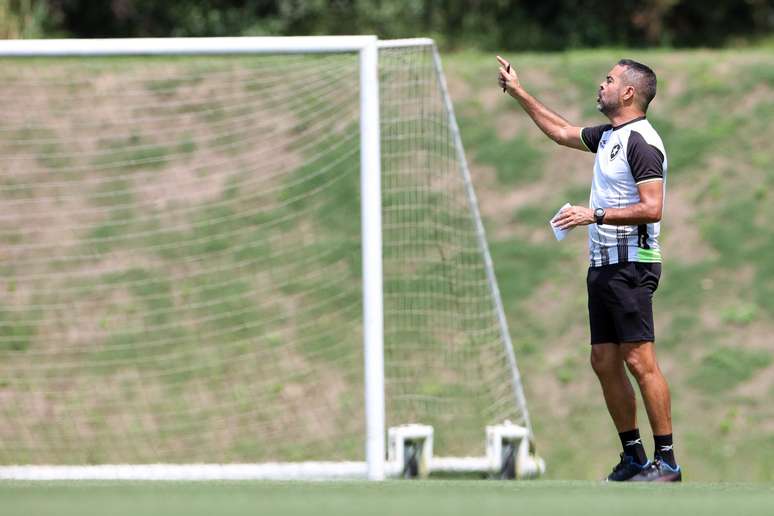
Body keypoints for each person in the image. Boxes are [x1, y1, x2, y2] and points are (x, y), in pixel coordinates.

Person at [496, 56, 681, 482]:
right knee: (603, 360)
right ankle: (634, 456)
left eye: (609, 80)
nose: (602, 85)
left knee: (639, 360)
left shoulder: (642, 141)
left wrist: (593, 215)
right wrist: (518, 90)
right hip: (603, 266)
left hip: (632, 265)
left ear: (629, 93)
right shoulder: (611, 136)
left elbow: (653, 209)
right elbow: (562, 132)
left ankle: (667, 462)